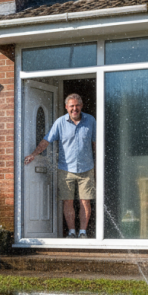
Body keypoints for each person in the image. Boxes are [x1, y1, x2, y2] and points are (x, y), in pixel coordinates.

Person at [23, 94, 96, 238]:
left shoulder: (91, 120)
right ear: (66, 107)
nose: (75, 109)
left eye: (77, 105)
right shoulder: (60, 123)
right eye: (71, 106)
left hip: (87, 168)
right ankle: (72, 232)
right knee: (67, 201)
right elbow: (47, 140)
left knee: (85, 200)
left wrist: (99, 164)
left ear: (81, 106)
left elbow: (95, 143)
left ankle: (83, 232)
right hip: (65, 169)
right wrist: (34, 154)